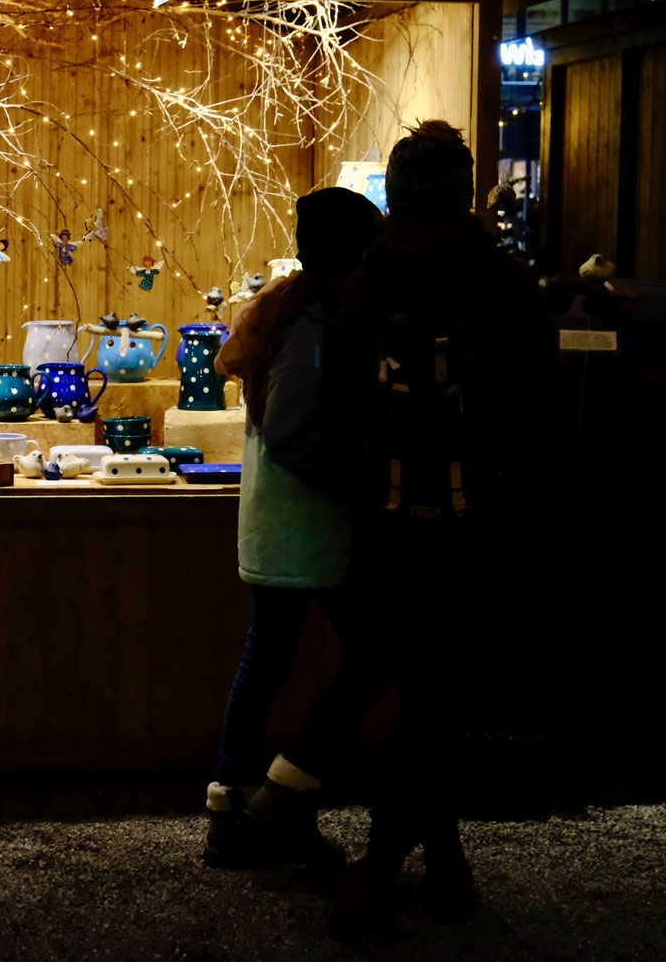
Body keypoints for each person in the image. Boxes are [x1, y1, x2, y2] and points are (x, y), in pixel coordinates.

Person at [329, 121, 552, 937]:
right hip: (482, 523)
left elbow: (335, 402)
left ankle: (399, 862)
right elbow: (539, 394)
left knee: (422, 689)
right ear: (464, 190)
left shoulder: (367, 279)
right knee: (440, 692)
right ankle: (435, 861)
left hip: (388, 525)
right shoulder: (504, 277)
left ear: (394, 189)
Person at [202, 185, 384, 870]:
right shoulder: (316, 321)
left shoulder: (289, 307)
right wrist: (357, 488)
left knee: (267, 655)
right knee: (375, 649)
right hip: (306, 521)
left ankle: (234, 804)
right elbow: (292, 431)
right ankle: (286, 785)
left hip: (279, 521)